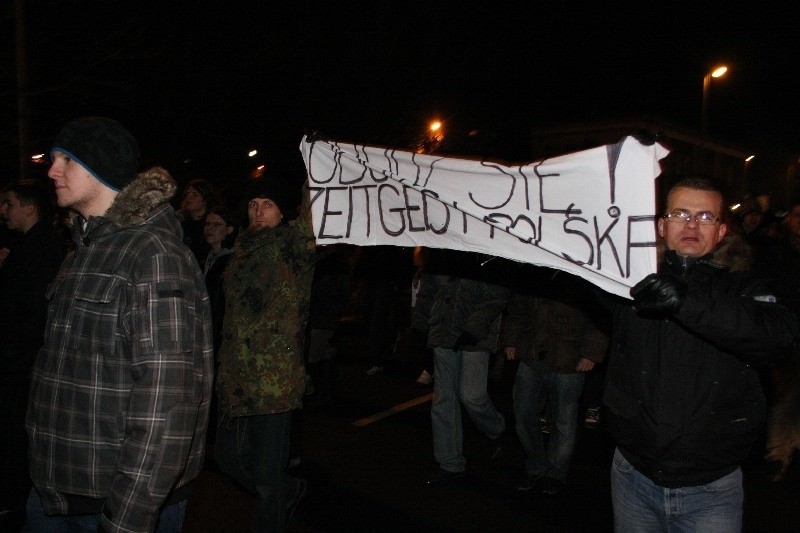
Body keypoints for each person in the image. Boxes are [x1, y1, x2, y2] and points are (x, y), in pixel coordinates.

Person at [27, 117, 214, 532]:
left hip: (114, 502)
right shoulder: (84, 247)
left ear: (102, 168)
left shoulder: (153, 255)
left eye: (66, 160)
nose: (52, 170)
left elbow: (167, 403)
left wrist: (127, 518)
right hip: (59, 492)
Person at [604, 178, 799, 531]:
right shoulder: (628, 278)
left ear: (722, 231)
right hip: (632, 476)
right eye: (680, 213)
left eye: (705, 216)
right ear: (661, 226)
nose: (691, 225)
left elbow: (778, 337)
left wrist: (685, 300)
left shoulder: (744, 284)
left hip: (711, 490)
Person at [214, 174, 317, 531]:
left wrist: (313, 171)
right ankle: (286, 490)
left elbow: (314, 214)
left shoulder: (293, 245)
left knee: (266, 477)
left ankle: (276, 498)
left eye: (267, 205)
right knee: (227, 458)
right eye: (253, 205)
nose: (258, 212)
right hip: (236, 377)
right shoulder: (242, 247)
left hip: (274, 381)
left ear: (282, 212)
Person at [503, 267, 609, 495]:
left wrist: (591, 352)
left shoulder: (581, 267)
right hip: (532, 354)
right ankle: (535, 465)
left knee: (564, 420)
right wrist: (511, 340)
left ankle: (556, 473)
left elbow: (600, 312)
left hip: (568, 359)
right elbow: (518, 308)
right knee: (523, 413)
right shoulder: (533, 267)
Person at [411, 249, 510, 485]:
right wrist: (418, 325)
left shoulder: (487, 250)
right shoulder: (440, 252)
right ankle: (450, 463)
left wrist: (473, 328)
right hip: (443, 331)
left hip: (475, 337)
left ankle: (497, 429)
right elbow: (427, 293)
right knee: (444, 398)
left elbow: (497, 295)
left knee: (471, 395)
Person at [0, 180, 66, 530]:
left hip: (23, 366)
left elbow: (32, 314)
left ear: (29, 208)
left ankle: (13, 505)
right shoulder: (25, 248)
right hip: (18, 362)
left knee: (16, 437)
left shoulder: (41, 251)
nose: (4, 211)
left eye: (9, 203)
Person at [179, 178, 218, 263]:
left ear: (205, 200)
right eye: (187, 194)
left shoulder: (211, 225)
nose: (189, 197)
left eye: (195, 194)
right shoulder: (180, 222)